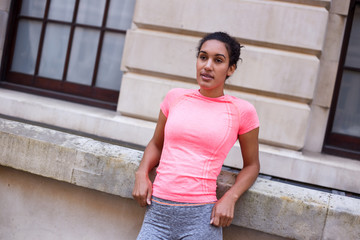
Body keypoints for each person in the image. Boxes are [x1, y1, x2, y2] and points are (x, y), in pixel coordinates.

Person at [132, 31, 260, 240]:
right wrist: (141, 174)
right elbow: (156, 144)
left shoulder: (242, 111)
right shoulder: (175, 98)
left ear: (231, 69)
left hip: (201, 219)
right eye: (203, 57)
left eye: (218, 60)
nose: (207, 66)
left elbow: (252, 165)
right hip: (156, 214)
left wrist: (231, 197)